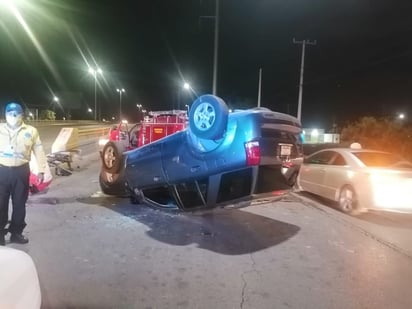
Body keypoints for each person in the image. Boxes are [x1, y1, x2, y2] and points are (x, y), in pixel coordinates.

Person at [0, 102, 47, 245]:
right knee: (0, 204)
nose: (12, 116)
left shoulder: (31, 131)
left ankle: (16, 233)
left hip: (21, 171)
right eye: (9, 113)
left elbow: (39, 150)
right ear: (5, 114)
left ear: (21, 115)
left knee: (19, 204)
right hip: (2, 171)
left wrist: (41, 170)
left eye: (16, 114)